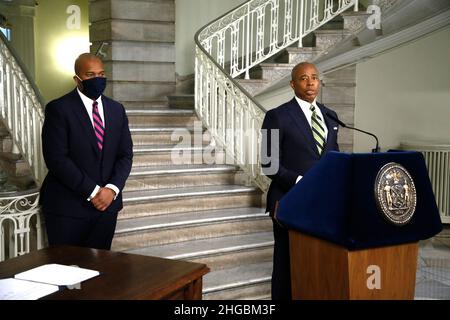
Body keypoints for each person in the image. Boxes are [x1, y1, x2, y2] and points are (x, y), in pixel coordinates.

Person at [261, 62, 340, 299]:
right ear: (292, 84)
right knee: (287, 265)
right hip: (288, 201)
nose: (310, 83)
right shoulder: (277, 116)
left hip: (322, 204)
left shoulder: (330, 116)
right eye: (304, 78)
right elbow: (269, 163)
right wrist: (300, 182)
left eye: (314, 78)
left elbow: (333, 157)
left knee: (317, 262)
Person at [40, 53, 133, 250]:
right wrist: (93, 192)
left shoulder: (117, 109)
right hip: (67, 208)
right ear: (77, 79)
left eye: (101, 74)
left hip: (107, 207)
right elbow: (57, 159)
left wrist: (112, 189)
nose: (97, 79)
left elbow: (125, 155)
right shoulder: (59, 109)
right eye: (90, 75)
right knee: (65, 270)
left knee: (100, 269)